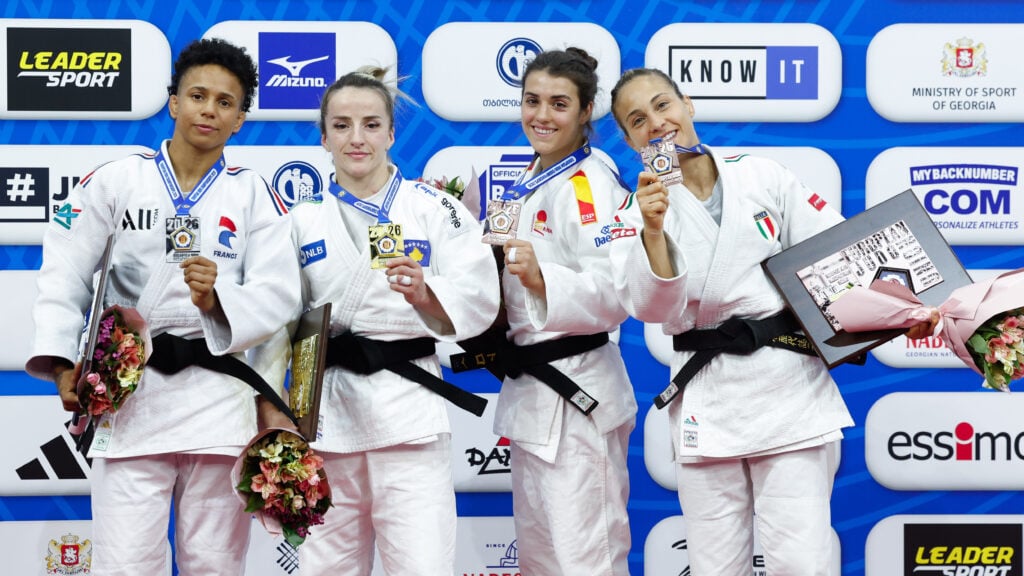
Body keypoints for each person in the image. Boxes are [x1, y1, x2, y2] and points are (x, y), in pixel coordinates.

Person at [24, 38, 300, 575]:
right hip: (132, 396)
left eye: (225, 102)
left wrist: (218, 300)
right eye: (198, 95)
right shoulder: (115, 181)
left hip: (219, 402)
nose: (209, 110)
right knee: (125, 562)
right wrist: (61, 363)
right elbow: (64, 271)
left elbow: (279, 295)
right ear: (174, 102)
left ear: (240, 120)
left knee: (215, 564)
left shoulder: (255, 195)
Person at [606, 67, 855, 574]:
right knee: (715, 564)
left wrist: (900, 310)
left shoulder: (762, 176)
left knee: (801, 562)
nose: (656, 123)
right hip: (709, 396)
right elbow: (651, 309)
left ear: (688, 104)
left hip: (788, 389)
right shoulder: (633, 211)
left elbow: (834, 254)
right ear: (630, 141)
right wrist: (652, 230)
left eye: (662, 105)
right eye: (637, 120)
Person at [288, 66, 499, 575]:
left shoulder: (436, 209)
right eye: (341, 126)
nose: (356, 138)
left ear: (391, 133)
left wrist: (428, 294)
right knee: (324, 569)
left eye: (371, 124)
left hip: (409, 417)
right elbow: (277, 320)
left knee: (422, 566)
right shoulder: (300, 219)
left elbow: (479, 297)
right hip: (328, 416)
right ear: (323, 137)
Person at [488, 47, 636, 575]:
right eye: (532, 101)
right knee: (541, 560)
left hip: (578, 394)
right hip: (533, 394)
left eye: (559, 104)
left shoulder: (588, 184)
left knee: (587, 558)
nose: (541, 115)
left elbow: (616, 292)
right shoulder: (530, 176)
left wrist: (540, 278)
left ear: (586, 111)